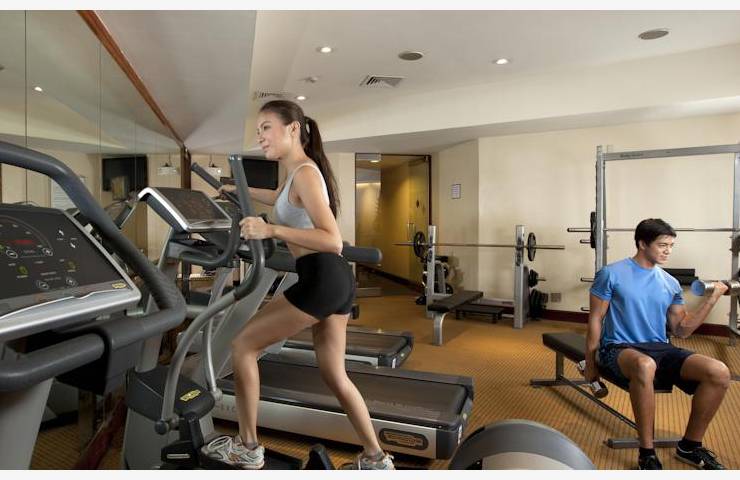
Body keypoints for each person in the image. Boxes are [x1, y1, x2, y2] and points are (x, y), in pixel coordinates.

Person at [202, 100, 394, 470]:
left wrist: (270, 229)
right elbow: (278, 198)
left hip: (321, 275)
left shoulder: (305, 173)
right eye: (258, 130)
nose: (260, 137)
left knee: (242, 346)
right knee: (335, 374)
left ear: (293, 129)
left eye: (266, 127)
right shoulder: (295, 174)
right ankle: (376, 458)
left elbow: (332, 240)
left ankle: (247, 447)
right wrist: (233, 189)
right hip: (334, 279)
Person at [585, 218, 731, 470]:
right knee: (645, 365)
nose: (668, 251)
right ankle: (647, 453)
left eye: (671, 246)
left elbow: (682, 330)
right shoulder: (611, 273)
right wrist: (590, 363)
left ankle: (689, 446)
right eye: (663, 245)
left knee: (719, 372)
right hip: (618, 347)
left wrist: (712, 298)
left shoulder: (669, 282)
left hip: (659, 347)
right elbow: (596, 318)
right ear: (642, 243)